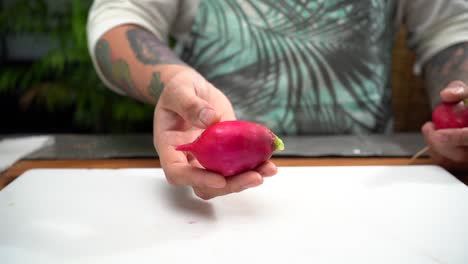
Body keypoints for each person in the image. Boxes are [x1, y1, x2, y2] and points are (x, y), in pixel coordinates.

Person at [87, 0, 468, 199]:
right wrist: (173, 80)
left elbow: (450, 28)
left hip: (371, 170)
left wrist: (461, 101)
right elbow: (119, 18)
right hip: (214, 188)